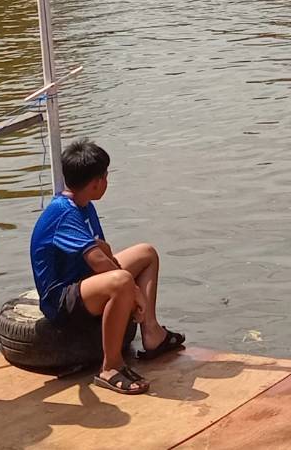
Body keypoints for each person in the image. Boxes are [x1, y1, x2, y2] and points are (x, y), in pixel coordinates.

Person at [29, 140, 185, 396]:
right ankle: (111, 367)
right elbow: (97, 260)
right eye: (105, 176)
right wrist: (135, 292)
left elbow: (102, 250)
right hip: (61, 298)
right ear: (96, 183)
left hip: (83, 280)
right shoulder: (63, 213)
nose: (107, 182)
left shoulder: (84, 206)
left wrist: (118, 269)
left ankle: (152, 333)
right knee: (121, 281)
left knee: (146, 253)